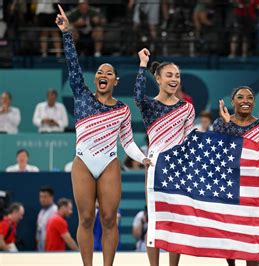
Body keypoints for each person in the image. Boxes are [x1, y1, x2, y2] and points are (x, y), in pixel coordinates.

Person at [56, 5, 151, 266]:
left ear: (115, 82)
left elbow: (128, 142)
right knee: (85, 218)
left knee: (109, 218)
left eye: (109, 73)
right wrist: (67, 32)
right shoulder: (82, 97)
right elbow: (73, 65)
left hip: (109, 162)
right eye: (100, 72)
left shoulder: (122, 109)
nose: (103, 75)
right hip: (83, 162)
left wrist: (142, 158)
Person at [135, 48, 195, 266]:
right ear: (158, 79)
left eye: (177, 76)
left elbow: (189, 141)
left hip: (178, 169)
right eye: (169, 75)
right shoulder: (149, 105)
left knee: (176, 222)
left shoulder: (187, 108)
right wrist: (143, 65)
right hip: (156, 167)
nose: (174, 79)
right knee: (155, 220)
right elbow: (138, 95)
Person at [213, 86, 259, 266]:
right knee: (229, 234)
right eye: (240, 97)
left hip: (253, 189)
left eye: (249, 98)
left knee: (252, 236)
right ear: (232, 102)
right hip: (228, 186)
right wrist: (227, 124)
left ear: (254, 102)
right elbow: (219, 150)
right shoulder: (220, 123)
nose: (245, 101)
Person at [36, 186, 58, 251]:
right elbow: (38, 230)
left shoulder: (55, 211)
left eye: (45, 197)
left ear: (51, 197)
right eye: (41, 197)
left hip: (51, 250)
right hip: (41, 249)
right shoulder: (41, 212)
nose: (42, 199)